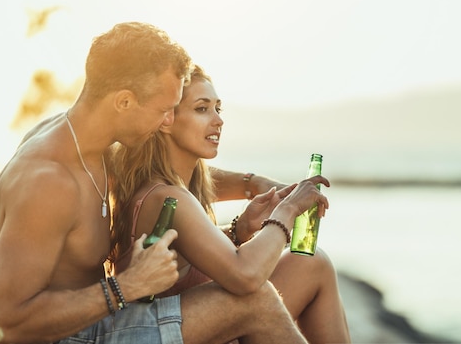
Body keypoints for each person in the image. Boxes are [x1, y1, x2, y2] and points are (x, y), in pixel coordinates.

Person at [0, 22, 311, 344]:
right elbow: (6, 323)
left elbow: (162, 174)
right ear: (125, 102)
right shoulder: (49, 183)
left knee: (301, 273)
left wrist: (250, 185)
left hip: (100, 318)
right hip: (72, 337)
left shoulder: (89, 143)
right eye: (165, 109)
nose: (168, 122)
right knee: (256, 301)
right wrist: (127, 286)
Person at [110, 64, 351, 343]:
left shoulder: (178, 186)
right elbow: (245, 275)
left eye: (218, 109)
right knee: (261, 293)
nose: (218, 120)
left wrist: (240, 228)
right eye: (202, 109)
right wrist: (288, 211)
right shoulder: (167, 197)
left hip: (202, 328)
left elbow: (192, 245)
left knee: (311, 263)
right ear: (167, 120)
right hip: (168, 332)